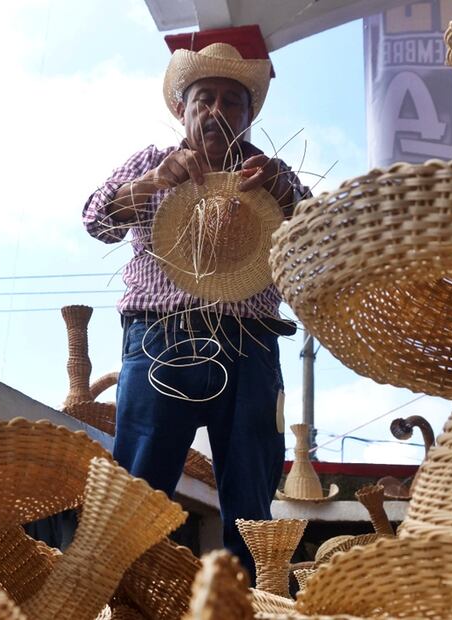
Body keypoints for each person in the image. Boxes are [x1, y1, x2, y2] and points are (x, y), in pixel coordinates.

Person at [81, 42, 310, 578]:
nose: (216, 111)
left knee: (251, 501)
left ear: (248, 116)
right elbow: (96, 221)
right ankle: (126, 601)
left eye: (232, 101)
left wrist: (284, 193)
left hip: (251, 343)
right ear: (181, 109)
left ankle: (250, 602)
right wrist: (155, 182)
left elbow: (317, 238)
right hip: (158, 337)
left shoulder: (273, 175)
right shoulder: (150, 161)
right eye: (204, 98)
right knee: (137, 488)